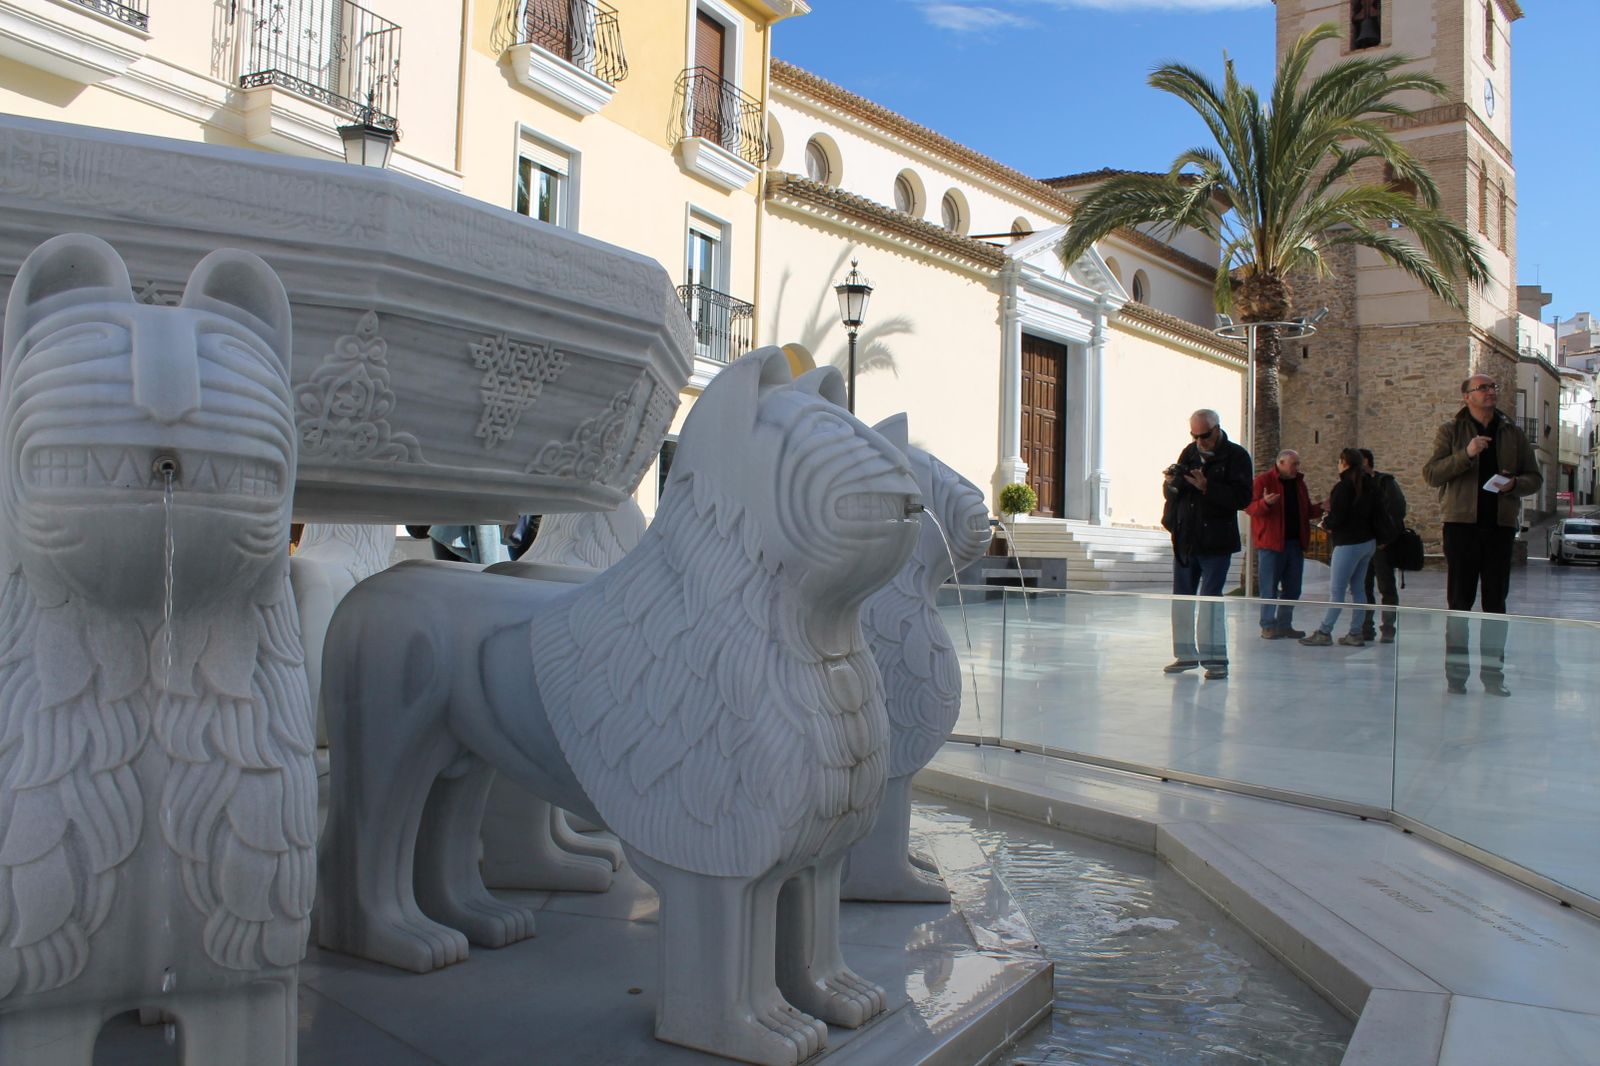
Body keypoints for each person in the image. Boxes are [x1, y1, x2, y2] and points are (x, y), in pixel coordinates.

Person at [1422, 374, 1542, 696]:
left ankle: (1493, 677)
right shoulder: (1451, 431)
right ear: (1467, 397)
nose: (1490, 392)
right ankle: (1456, 679)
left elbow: (1535, 477)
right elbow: (1432, 474)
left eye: (1493, 387)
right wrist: (1467, 454)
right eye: (1483, 388)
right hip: (1461, 527)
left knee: (1495, 605)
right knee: (1459, 603)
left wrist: (1515, 484)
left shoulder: (1512, 434)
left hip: (1500, 529)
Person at [1161, 409, 1253, 679]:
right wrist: (1170, 484)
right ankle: (1186, 655)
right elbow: (1174, 492)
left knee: (1211, 599)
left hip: (1216, 541)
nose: (1200, 441)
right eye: (1195, 435)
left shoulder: (1236, 456)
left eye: (1204, 435)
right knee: (1182, 598)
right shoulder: (1189, 452)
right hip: (1186, 539)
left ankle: (1215, 660)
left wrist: (1207, 487)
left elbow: (1243, 498)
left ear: (1217, 429)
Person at [1300, 448, 1379, 647]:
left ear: (1344, 462)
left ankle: (1325, 631)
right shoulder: (1369, 484)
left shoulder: (1344, 487)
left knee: (1337, 591)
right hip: (1367, 542)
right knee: (1359, 589)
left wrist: (1326, 522)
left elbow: (1339, 516)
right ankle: (1355, 632)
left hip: (1348, 544)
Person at [1245, 449, 1323, 639]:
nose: (1297, 467)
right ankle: (1268, 625)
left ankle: (1284, 624)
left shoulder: (1299, 483)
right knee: (1268, 588)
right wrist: (1265, 503)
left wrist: (1320, 508)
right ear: (1280, 463)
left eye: (1297, 463)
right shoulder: (1263, 481)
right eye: (1294, 464)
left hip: (1295, 544)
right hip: (1271, 545)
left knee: (1293, 588)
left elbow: (1304, 511)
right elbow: (1249, 507)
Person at [1359, 448, 1406, 643]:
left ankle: (1388, 628)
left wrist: (1386, 539)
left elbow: (1397, 510)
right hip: (1363, 544)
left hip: (1382, 546)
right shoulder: (1356, 485)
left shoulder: (1385, 483)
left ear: (1367, 462)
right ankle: (1366, 628)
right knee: (1363, 587)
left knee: (1386, 587)